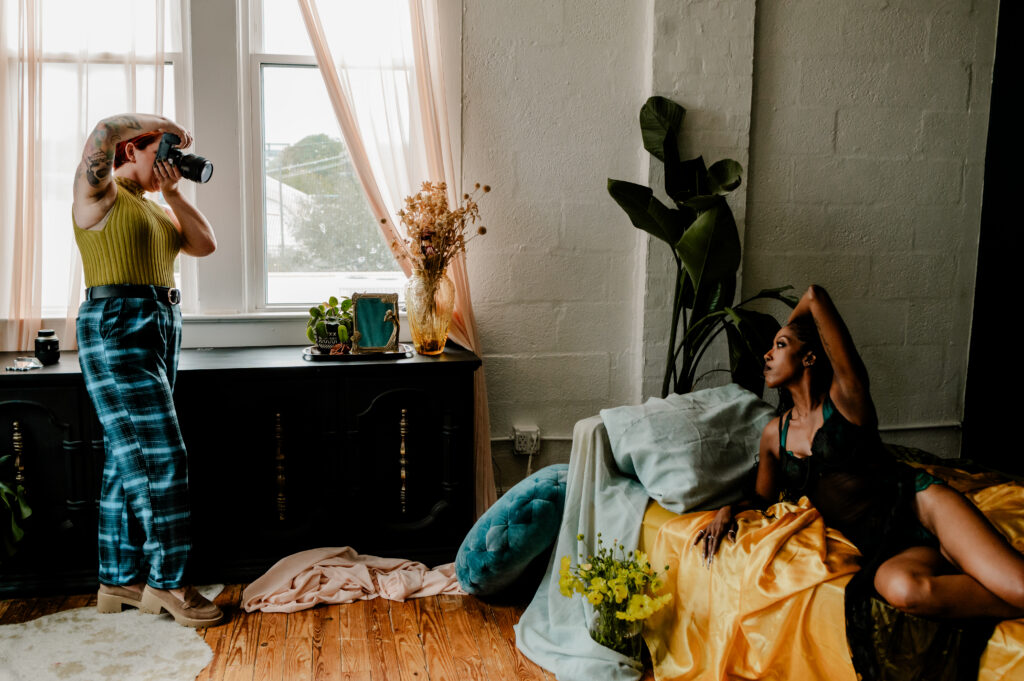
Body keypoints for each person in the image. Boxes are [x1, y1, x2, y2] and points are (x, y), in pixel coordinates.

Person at [695, 284, 1024, 622]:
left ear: (809, 357)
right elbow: (762, 500)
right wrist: (726, 510)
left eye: (779, 346)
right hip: (886, 547)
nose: (767, 354)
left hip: (922, 507)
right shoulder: (773, 435)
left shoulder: (846, 398)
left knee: (1018, 588)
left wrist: (794, 332)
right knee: (902, 591)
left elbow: (814, 295)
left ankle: (985, 572)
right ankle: (971, 570)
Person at [72, 113, 222, 627]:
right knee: (162, 456)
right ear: (131, 148)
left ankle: (118, 575)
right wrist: (167, 125)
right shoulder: (101, 196)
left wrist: (176, 194)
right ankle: (169, 582)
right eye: (162, 149)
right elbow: (103, 129)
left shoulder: (156, 210)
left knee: (127, 452)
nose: (169, 158)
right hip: (116, 323)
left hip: (159, 323)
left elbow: (204, 245)